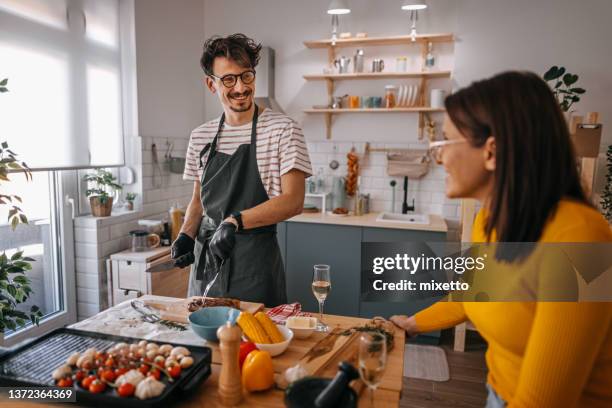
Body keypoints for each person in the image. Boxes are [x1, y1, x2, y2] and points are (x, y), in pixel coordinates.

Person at [389, 71, 612, 407]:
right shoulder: (490, 219)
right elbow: (470, 296)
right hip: (498, 393)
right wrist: (410, 324)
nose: (438, 157)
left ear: (491, 151)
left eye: (444, 143)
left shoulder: (582, 239)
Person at [172, 34, 311, 306]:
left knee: (257, 345)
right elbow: (198, 198)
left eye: (246, 76)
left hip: (255, 265)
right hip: (208, 261)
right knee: (204, 342)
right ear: (211, 84)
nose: (240, 87)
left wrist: (235, 220)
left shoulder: (283, 129)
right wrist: (185, 234)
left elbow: (293, 201)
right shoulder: (201, 136)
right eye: (228, 79)